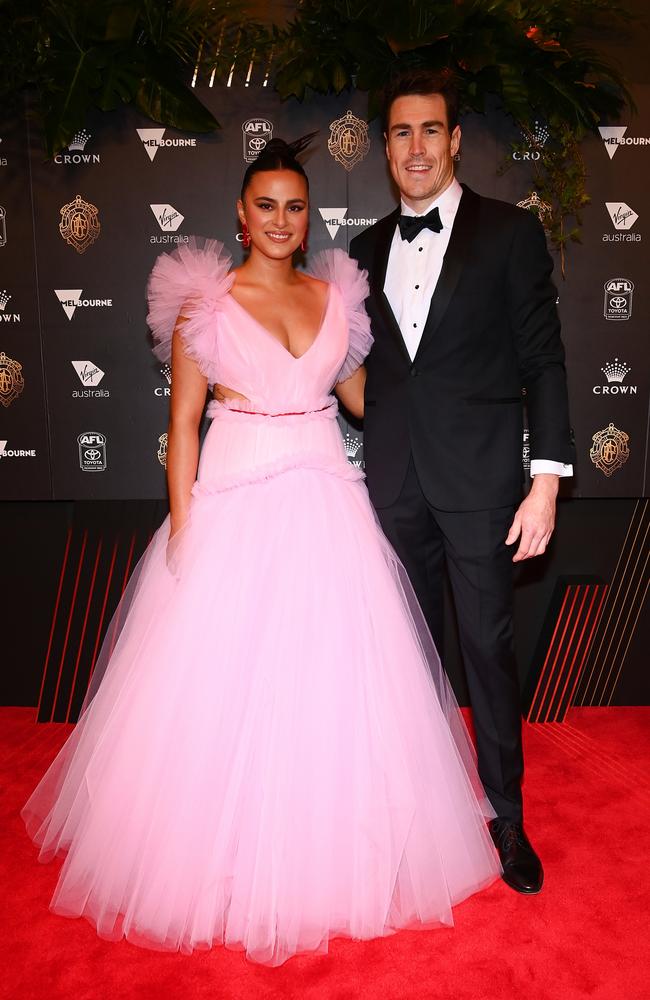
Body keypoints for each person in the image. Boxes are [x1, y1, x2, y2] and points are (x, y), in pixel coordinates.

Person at [20, 137, 501, 968]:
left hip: (326, 500)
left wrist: (458, 403)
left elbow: (364, 398)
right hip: (235, 501)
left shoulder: (336, 298)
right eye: (267, 205)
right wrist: (182, 529)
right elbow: (180, 429)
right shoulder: (204, 305)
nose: (283, 220)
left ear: (308, 215)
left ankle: (332, 851)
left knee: (334, 685)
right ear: (242, 216)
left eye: (296, 206)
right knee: (223, 693)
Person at [349, 70, 575, 895]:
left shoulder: (510, 234)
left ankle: (506, 818)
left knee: (487, 651)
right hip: (394, 481)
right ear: (386, 147)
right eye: (401, 132)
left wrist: (545, 481)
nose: (416, 147)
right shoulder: (363, 251)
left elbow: (545, 362)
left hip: (482, 482)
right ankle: (414, 814)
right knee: (408, 658)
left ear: (454, 140)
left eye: (430, 131)